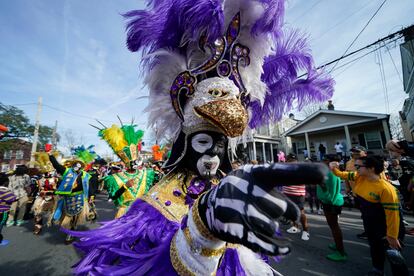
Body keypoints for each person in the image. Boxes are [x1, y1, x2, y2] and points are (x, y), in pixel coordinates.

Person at [67, 0, 333, 274]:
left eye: (221, 147)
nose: (213, 157)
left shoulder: (232, 188)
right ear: (185, 145)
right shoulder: (156, 202)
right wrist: (202, 226)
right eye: (204, 143)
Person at [330, 156, 408, 275]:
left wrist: (392, 236)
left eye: (358, 166)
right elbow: (342, 175)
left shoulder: (386, 188)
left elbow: (393, 215)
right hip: (370, 224)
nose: (355, 169)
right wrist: (334, 168)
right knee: (375, 249)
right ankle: (377, 270)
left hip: (387, 227)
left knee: (394, 257)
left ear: (371, 168)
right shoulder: (360, 177)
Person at [97, 123, 155, 218]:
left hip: (142, 214)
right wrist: (125, 187)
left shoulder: (146, 174)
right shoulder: (114, 178)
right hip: (124, 214)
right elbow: (113, 197)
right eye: (132, 162)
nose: (134, 163)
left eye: (135, 161)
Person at [48, 150, 93, 244]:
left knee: (76, 216)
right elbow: (56, 165)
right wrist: (50, 154)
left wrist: (91, 196)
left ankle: (72, 231)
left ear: (82, 166)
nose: (77, 166)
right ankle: (64, 225)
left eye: (80, 165)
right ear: (73, 165)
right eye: (76, 164)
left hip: (80, 198)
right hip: (67, 198)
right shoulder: (67, 171)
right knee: (64, 214)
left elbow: (89, 187)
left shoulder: (85, 175)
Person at [318, 155, 346, 261]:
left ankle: (341, 252)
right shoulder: (329, 172)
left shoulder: (332, 174)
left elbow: (332, 192)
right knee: (333, 226)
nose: (323, 161)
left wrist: (320, 184)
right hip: (328, 202)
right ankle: (337, 245)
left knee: (334, 227)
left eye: (326, 160)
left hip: (331, 203)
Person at [283, 154, 310, 241]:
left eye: (291, 160)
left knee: (301, 213)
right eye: (288, 160)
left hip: (298, 194)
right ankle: (295, 227)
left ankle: (306, 231)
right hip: (287, 193)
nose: (290, 162)